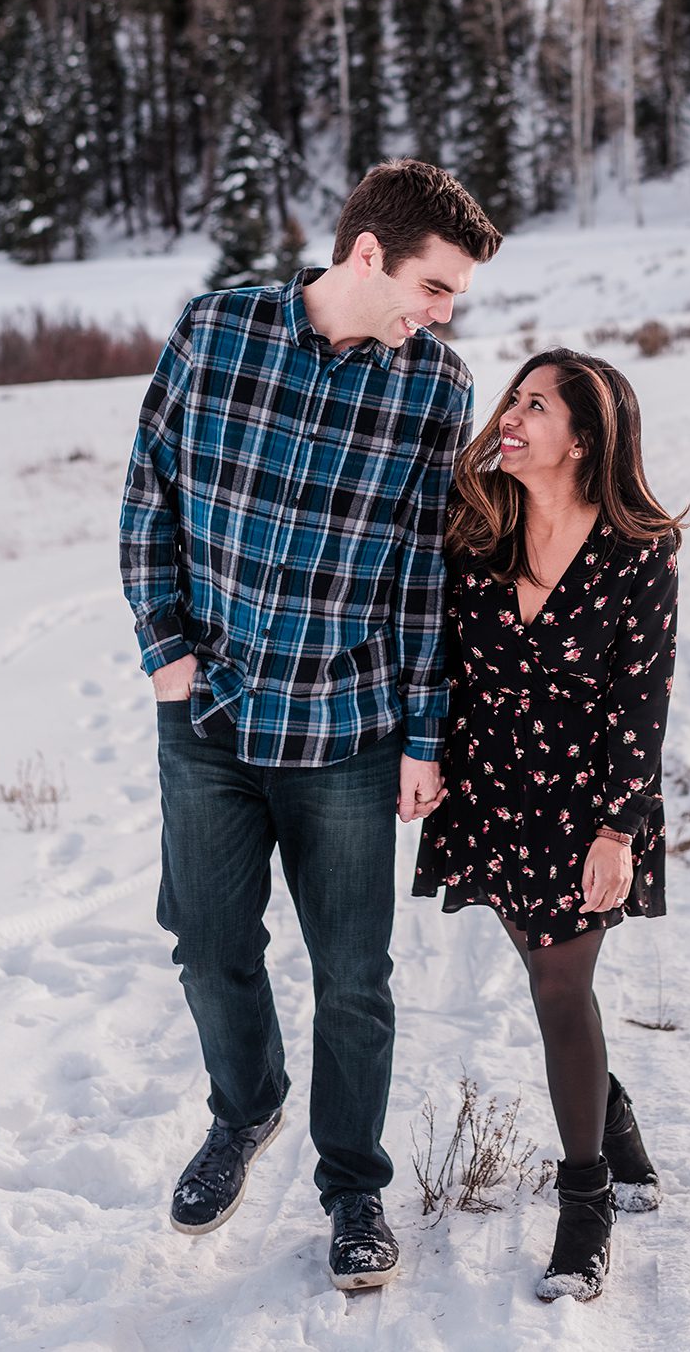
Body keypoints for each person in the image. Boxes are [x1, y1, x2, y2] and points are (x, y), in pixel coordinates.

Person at [119, 159, 501, 1290]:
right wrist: (166, 650)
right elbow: (150, 495)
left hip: (348, 726)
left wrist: (425, 734)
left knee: (355, 975)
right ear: (369, 255)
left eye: (456, 302)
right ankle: (244, 1111)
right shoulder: (217, 332)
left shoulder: (434, 388)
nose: (442, 316)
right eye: (435, 289)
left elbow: (424, 581)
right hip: (213, 717)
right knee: (208, 943)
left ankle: (355, 1189)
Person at [413, 346, 683, 1303]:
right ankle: (618, 1128)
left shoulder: (637, 554)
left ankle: (587, 1200)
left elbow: (641, 697)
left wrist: (618, 829)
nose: (511, 418)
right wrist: (427, 754)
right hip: (490, 791)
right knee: (542, 975)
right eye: (513, 399)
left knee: (563, 986)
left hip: (585, 803)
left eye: (536, 407)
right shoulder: (471, 527)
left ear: (583, 441)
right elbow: (437, 659)